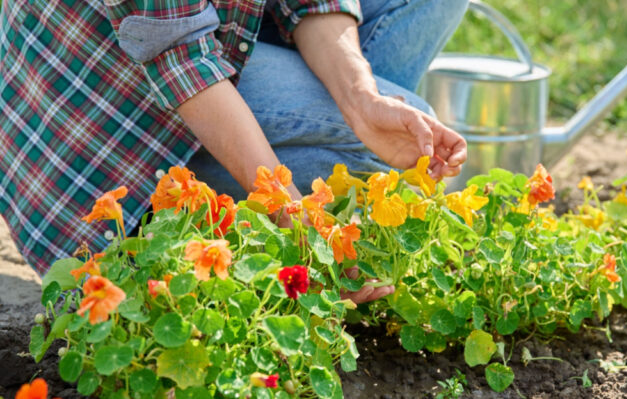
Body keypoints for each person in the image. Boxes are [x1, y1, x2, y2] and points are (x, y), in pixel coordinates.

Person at [0, 0, 470, 301]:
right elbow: (180, 52)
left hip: (218, 32)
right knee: (366, 160)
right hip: (107, 103)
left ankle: (310, 223)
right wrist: (289, 214)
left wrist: (365, 101)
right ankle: (213, 225)